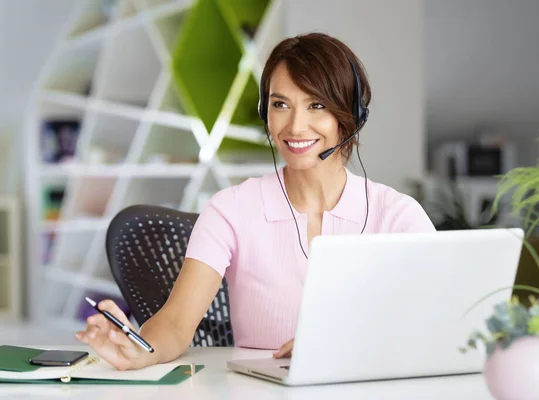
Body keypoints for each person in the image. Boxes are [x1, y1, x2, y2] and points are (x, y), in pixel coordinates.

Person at [75, 32, 436, 371]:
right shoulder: (231, 210)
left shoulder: (399, 218)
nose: (295, 126)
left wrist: (341, 344)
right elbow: (175, 323)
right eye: (281, 104)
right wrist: (140, 351)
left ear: (351, 115)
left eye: (316, 105)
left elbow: (438, 325)